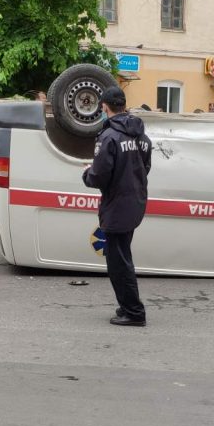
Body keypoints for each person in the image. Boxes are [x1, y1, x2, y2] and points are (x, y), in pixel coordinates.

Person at [82, 86, 152, 327]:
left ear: (104, 107)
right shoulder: (141, 136)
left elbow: (99, 176)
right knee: (122, 255)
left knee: (118, 262)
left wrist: (86, 174)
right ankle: (126, 306)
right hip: (135, 203)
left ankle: (134, 312)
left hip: (117, 205)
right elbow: (145, 168)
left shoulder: (109, 136)